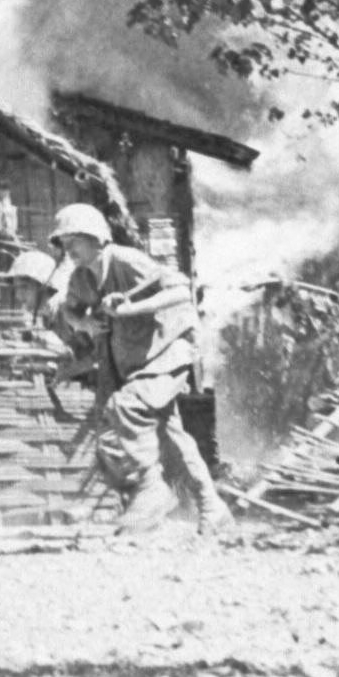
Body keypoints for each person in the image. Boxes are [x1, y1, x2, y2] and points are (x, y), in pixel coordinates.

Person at [40, 206, 233, 538]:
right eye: (64, 241)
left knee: (126, 406)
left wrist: (133, 308)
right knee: (170, 437)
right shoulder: (82, 278)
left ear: (96, 238)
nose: (69, 248)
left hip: (167, 351)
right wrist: (84, 322)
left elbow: (179, 289)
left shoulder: (125, 260)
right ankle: (212, 508)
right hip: (133, 363)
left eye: (75, 240)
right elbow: (71, 311)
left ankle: (151, 491)